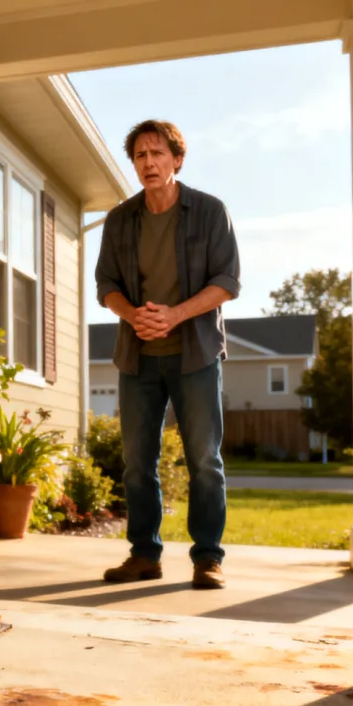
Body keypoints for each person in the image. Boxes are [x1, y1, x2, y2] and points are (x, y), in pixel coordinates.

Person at [93, 120, 240, 590]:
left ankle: (208, 558)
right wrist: (134, 316)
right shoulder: (120, 220)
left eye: (157, 154)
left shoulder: (210, 211)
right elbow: (106, 286)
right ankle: (144, 555)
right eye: (140, 156)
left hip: (195, 355)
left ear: (177, 159)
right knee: (138, 460)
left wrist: (174, 315)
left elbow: (227, 283)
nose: (148, 163)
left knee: (204, 460)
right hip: (138, 357)